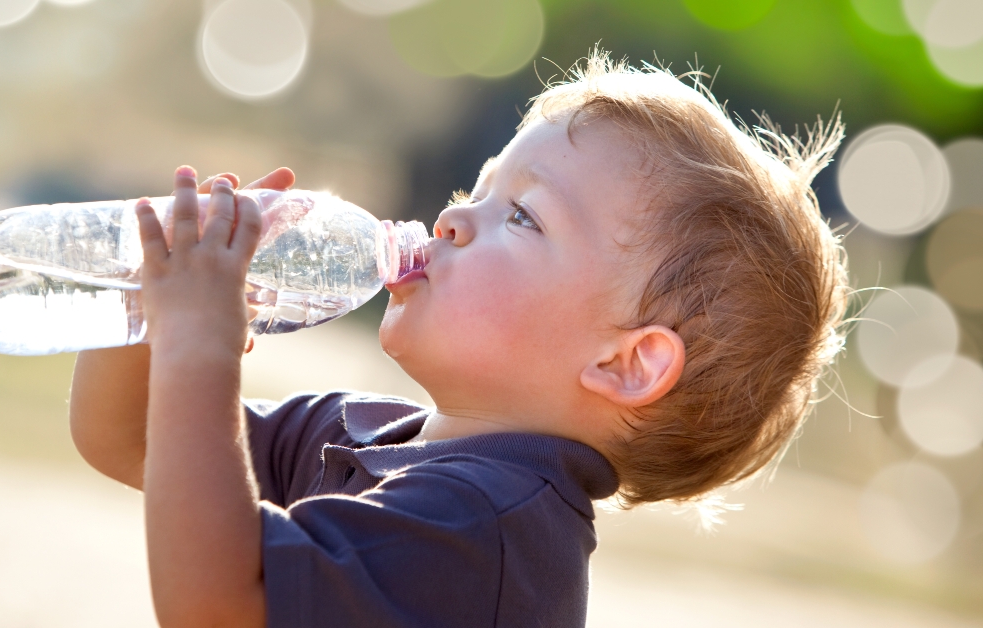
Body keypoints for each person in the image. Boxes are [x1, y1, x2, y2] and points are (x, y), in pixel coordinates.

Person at [68, 50, 848, 627]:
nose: (450, 219)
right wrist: (147, 303)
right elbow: (129, 436)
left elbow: (215, 605)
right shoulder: (365, 433)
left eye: (522, 216)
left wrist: (199, 350)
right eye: (477, 188)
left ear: (625, 362)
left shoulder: (487, 524)